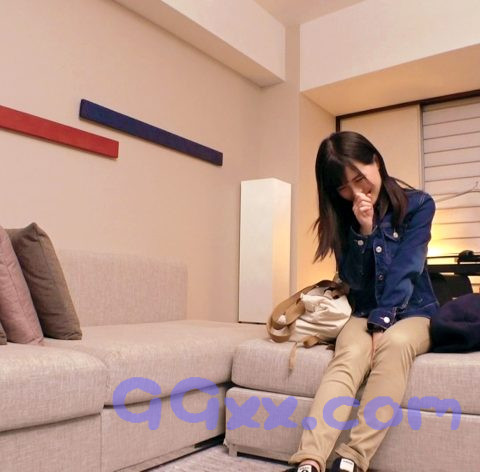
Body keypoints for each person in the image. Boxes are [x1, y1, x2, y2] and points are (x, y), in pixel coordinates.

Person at [284, 131, 439, 472]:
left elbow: (407, 267)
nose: (355, 192)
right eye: (343, 186)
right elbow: (352, 280)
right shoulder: (343, 215)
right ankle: (309, 461)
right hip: (364, 309)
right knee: (350, 354)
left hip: (414, 310)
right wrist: (365, 231)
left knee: (395, 344)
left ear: (376, 162)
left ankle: (352, 460)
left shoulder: (419, 205)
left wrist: (382, 321)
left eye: (359, 178)